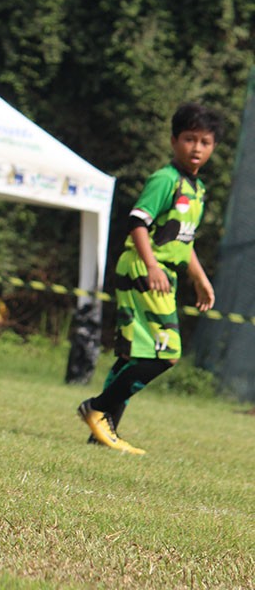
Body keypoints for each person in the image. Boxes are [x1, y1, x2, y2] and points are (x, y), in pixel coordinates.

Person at [78, 102, 222, 454]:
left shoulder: (197, 188)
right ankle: (96, 408)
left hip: (160, 273)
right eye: (190, 139)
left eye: (205, 141)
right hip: (144, 271)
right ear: (174, 141)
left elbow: (181, 240)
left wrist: (200, 278)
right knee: (166, 354)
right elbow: (138, 223)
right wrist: (153, 266)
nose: (197, 148)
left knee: (132, 355)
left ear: (213, 146)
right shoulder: (165, 180)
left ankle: (103, 432)